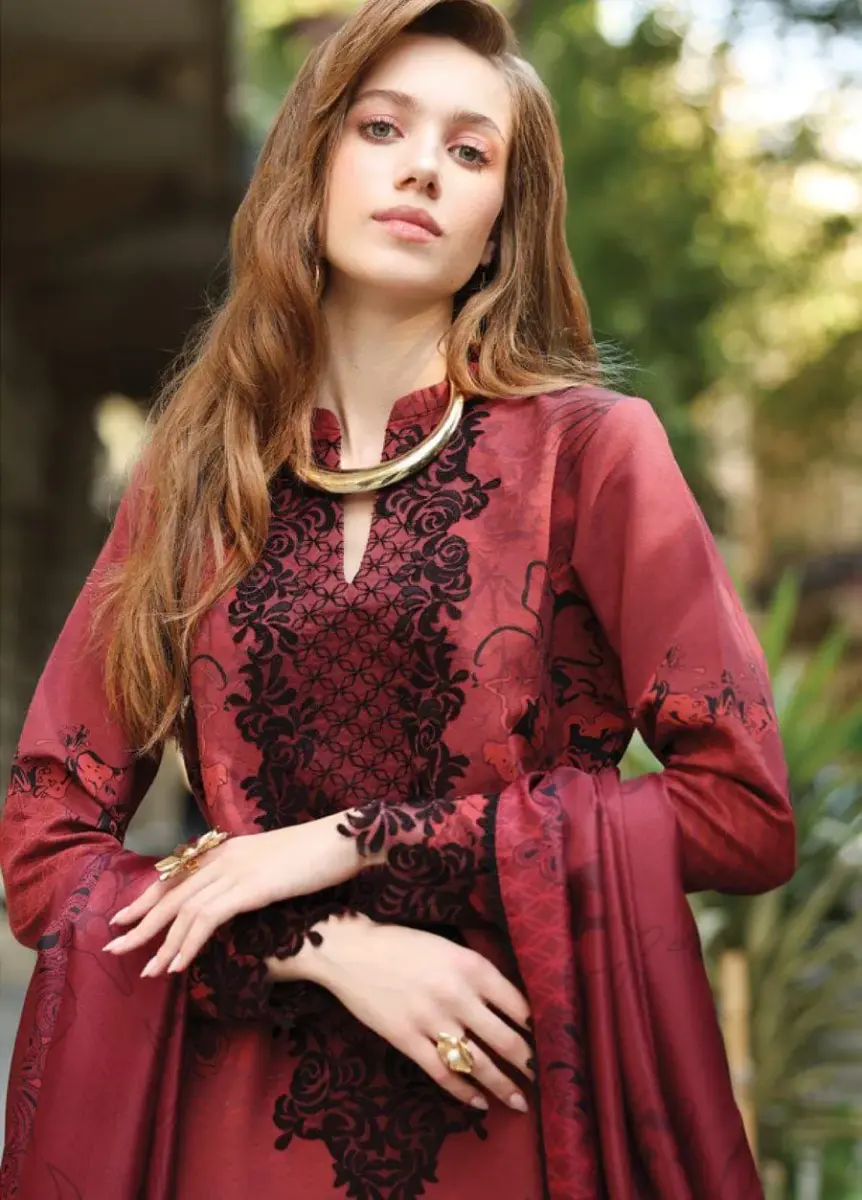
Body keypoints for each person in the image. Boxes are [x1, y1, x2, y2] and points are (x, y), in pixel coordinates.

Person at [0, 0, 796, 1197]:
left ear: (500, 227)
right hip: (240, 1133)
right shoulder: (196, 477)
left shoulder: (591, 455)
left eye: (470, 152)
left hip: (517, 1108)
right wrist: (322, 943)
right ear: (308, 167)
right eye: (382, 128)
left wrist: (343, 843)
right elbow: (43, 849)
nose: (423, 166)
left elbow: (742, 812)